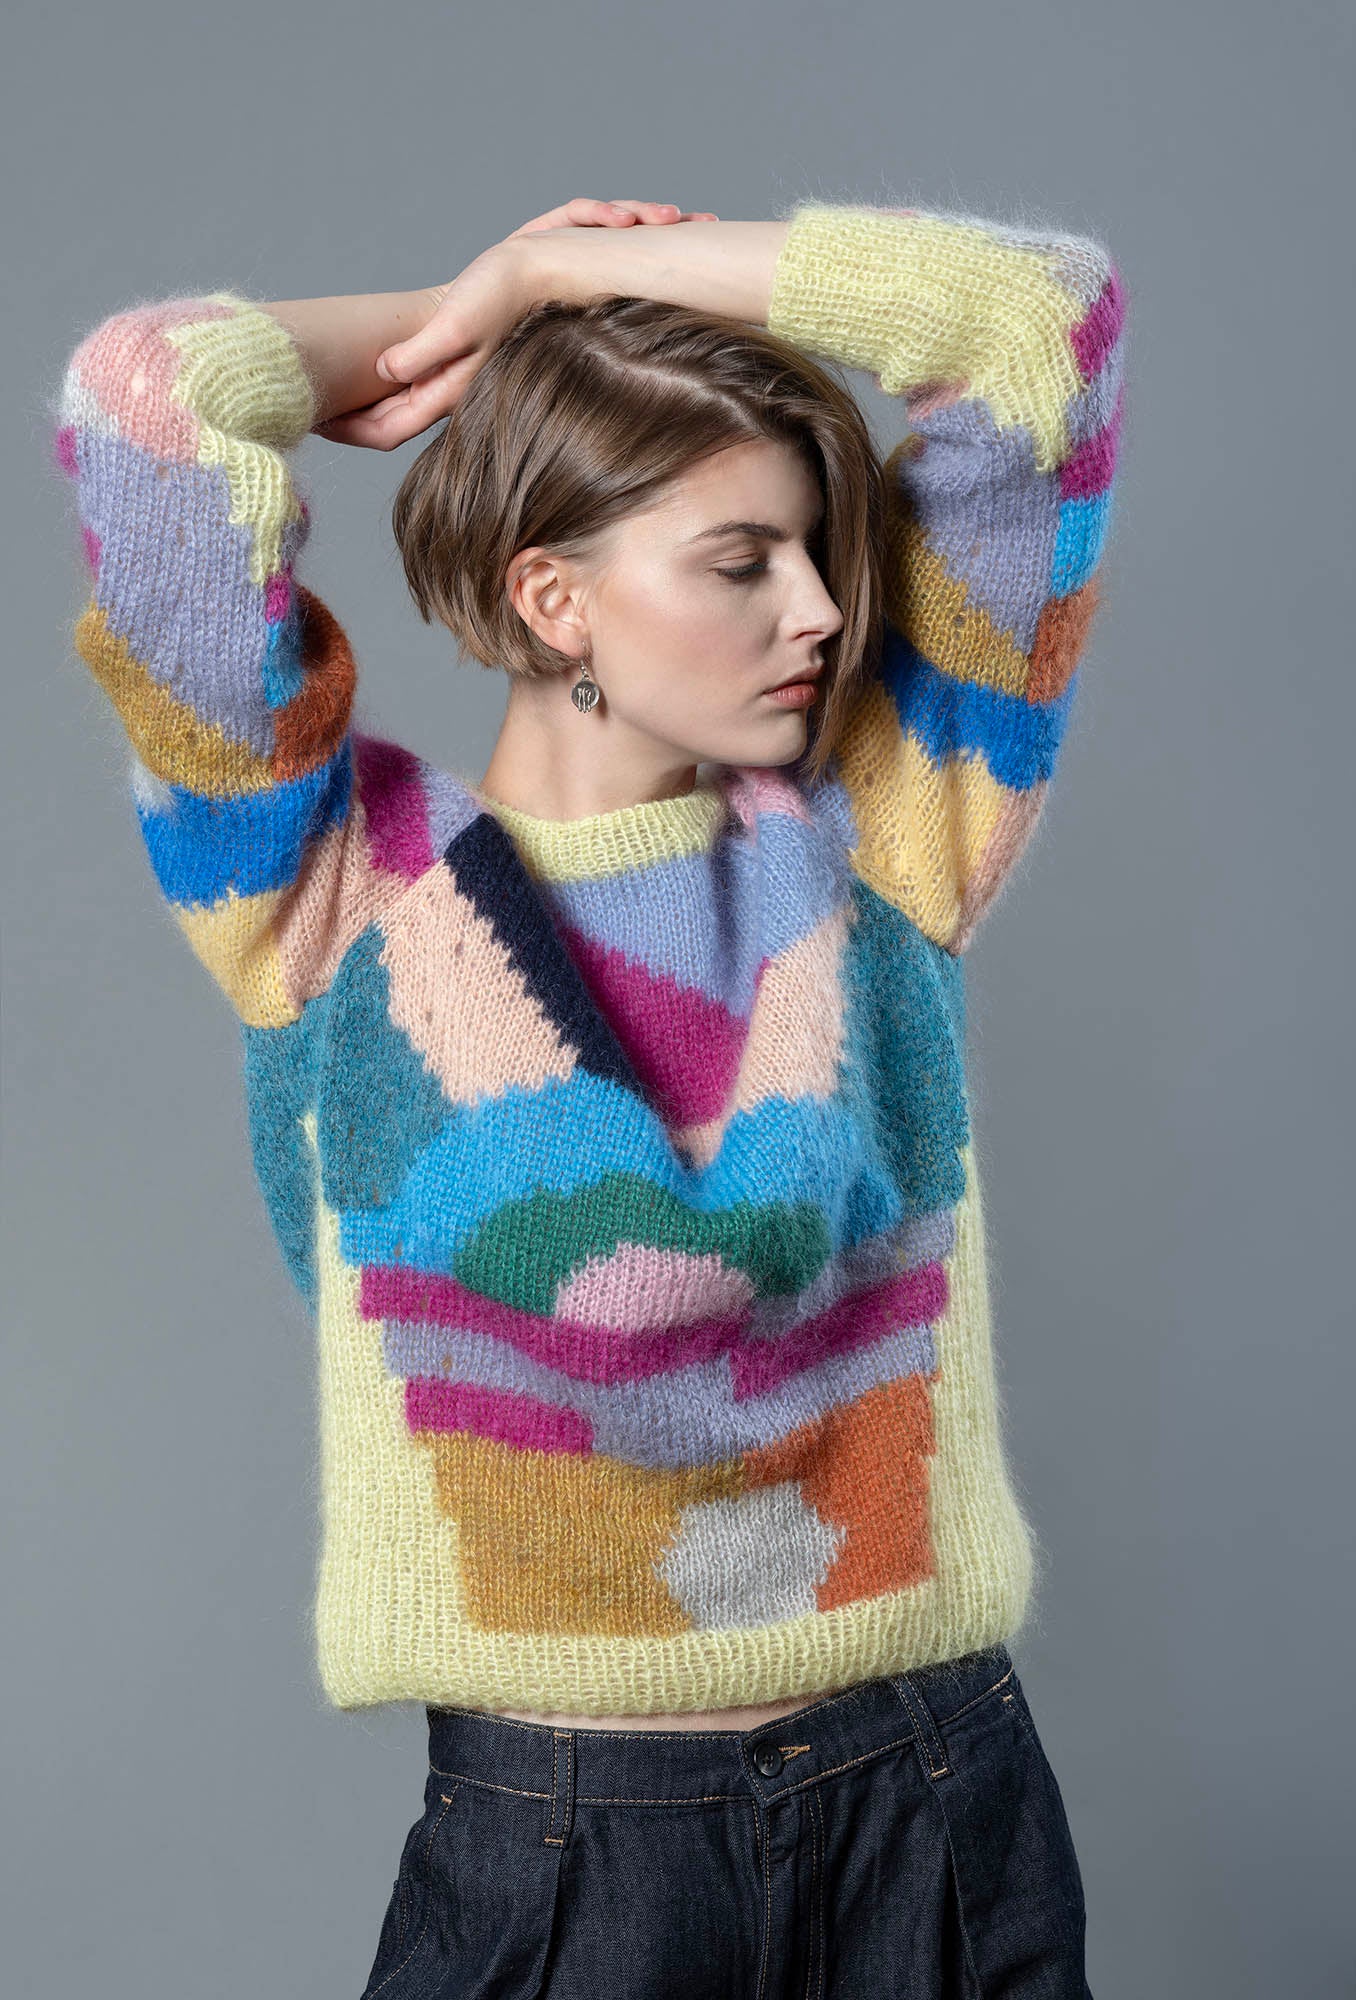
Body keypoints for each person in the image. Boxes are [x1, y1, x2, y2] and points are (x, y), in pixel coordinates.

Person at [52, 191, 1127, 1995]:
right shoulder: (330, 898)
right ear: (557, 596)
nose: (822, 608)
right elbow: (145, 400)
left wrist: (575, 273)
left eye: (820, 551)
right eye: (742, 561)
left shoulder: (886, 836)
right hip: (567, 1850)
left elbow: (1037, 324)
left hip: (935, 1797)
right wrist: (452, 320)